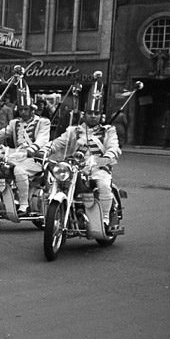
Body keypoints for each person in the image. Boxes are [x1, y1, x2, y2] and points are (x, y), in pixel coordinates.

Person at [43, 72, 121, 232]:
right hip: (74, 168)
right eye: (90, 113)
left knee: (104, 185)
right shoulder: (74, 130)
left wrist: (107, 157)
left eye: (96, 113)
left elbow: (114, 147)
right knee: (55, 183)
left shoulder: (108, 131)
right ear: (84, 114)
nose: (93, 116)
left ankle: (105, 218)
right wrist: (47, 149)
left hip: (98, 168)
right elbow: (60, 142)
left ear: (101, 115)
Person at [0, 79, 51, 216]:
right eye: (21, 109)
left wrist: (32, 148)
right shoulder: (14, 123)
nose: (23, 112)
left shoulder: (43, 122)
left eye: (26, 109)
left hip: (35, 158)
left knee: (19, 170)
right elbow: (1, 133)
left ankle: (24, 205)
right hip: (17, 156)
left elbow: (43, 138)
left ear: (32, 109)